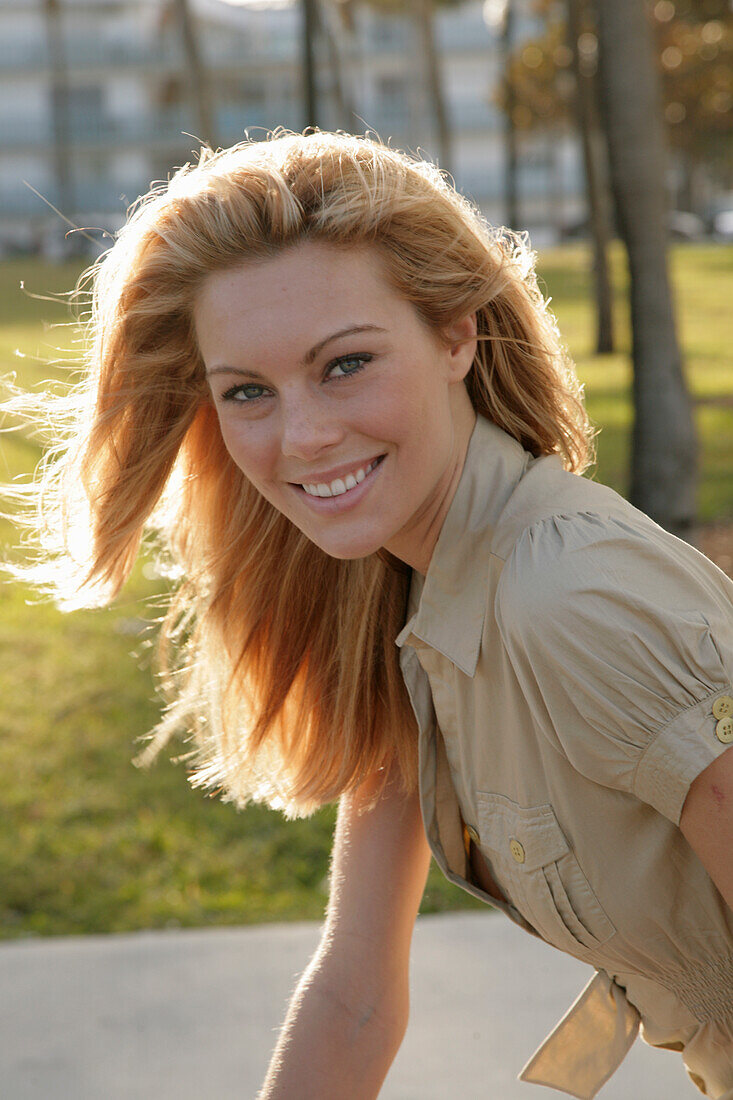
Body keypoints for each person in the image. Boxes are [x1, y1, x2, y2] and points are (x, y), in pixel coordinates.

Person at [5, 130, 732, 1098]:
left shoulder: (567, 599)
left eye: (344, 364)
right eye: (249, 392)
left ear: (455, 335)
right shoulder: (412, 608)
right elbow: (354, 993)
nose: (301, 436)